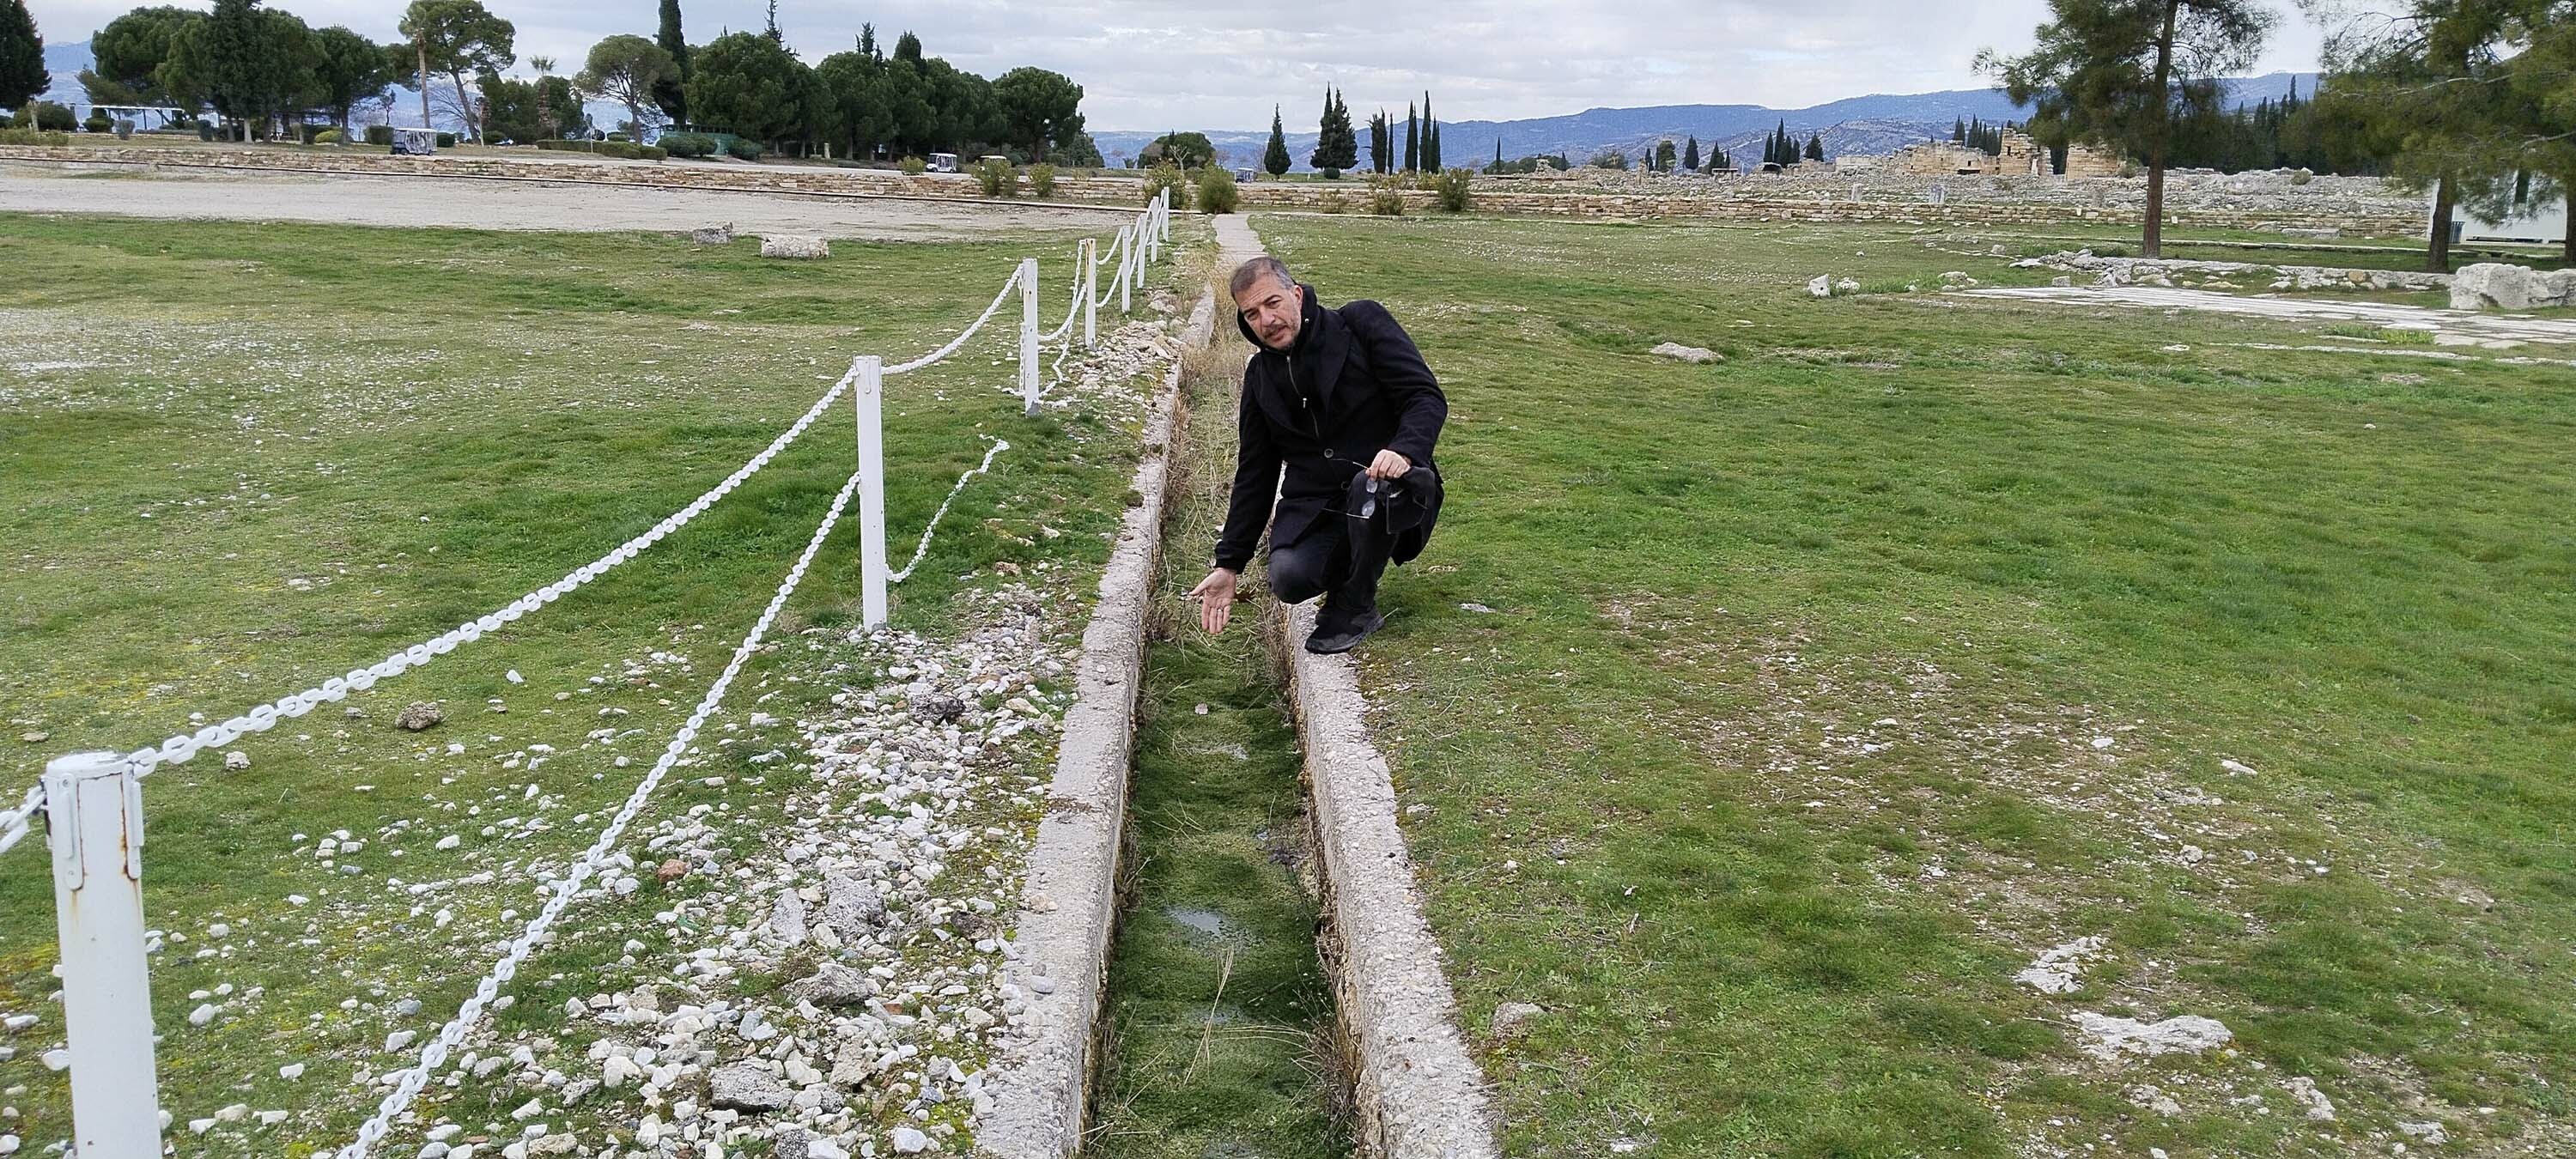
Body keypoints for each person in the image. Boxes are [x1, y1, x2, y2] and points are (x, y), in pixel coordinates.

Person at [1188, 256, 1447, 653]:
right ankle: (1353, 568)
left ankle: (1356, 605)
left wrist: (1405, 450)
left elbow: (1424, 396)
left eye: (1273, 303)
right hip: (1319, 507)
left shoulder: (1360, 324)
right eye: (1252, 313)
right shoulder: (1259, 377)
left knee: (1372, 487)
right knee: (1289, 578)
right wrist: (1229, 564)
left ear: (1296, 294)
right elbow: (1255, 475)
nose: (1267, 320)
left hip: (1397, 487)